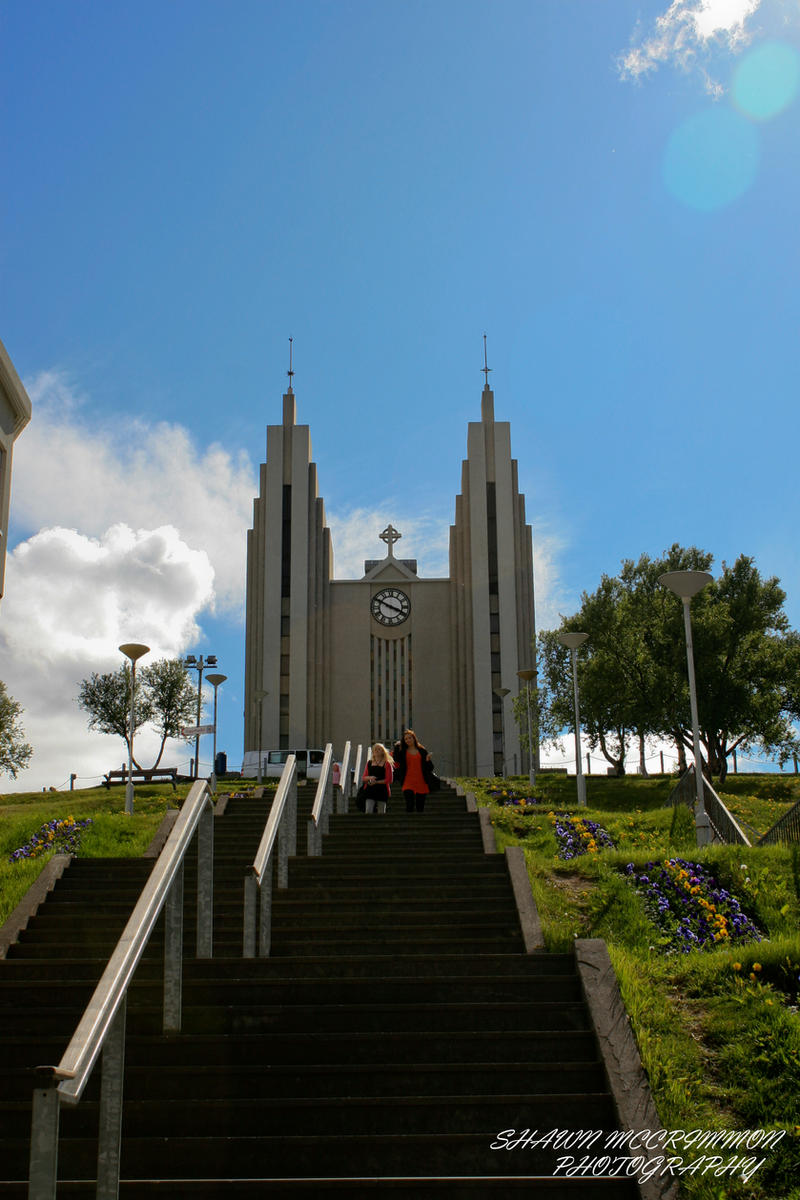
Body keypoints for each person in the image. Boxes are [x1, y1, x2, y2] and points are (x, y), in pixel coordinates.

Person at [393, 729, 433, 813]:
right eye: (406, 739)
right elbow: (396, 759)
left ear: (414, 738)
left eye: (409, 738)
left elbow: (430, 768)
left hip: (421, 781)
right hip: (407, 781)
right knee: (409, 805)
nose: (408, 740)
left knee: (420, 807)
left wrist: (428, 760)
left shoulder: (422, 751)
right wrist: (396, 746)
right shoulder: (403, 751)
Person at [362, 743, 394, 814]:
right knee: (368, 810)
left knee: (381, 812)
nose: (376, 750)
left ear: (383, 751)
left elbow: (389, 780)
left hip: (382, 790)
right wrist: (370, 777)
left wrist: (376, 782)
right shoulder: (369, 763)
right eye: (375, 749)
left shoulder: (387, 764)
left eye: (379, 749)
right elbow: (364, 778)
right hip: (370, 790)